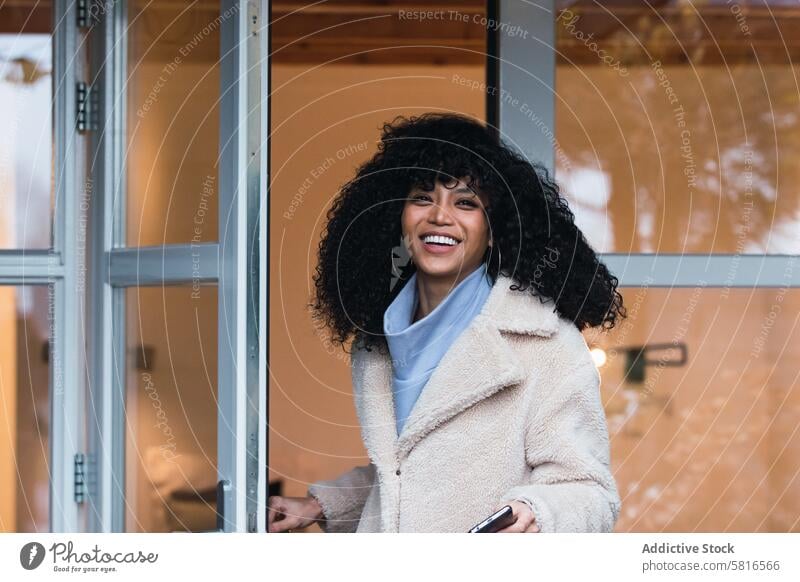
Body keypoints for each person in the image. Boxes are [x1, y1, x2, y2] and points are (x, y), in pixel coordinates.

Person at [267, 112, 626, 533]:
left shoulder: (543, 342)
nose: (440, 216)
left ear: (494, 230)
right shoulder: (379, 341)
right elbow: (410, 474)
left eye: (466, 202)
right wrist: (319, 505)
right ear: (398, 218)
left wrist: (537, 513)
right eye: (422, 197)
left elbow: (590, 490)